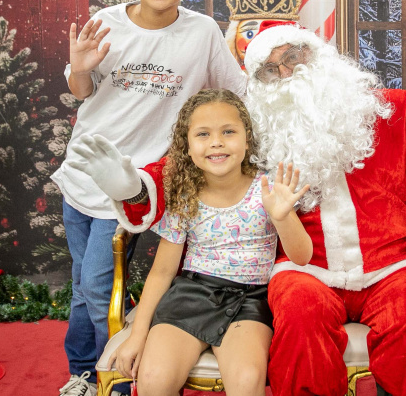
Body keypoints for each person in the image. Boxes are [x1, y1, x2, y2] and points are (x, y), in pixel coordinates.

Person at [75, 22, 406, 396]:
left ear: (323, 58)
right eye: (271, 71)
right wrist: (132, 184)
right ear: (256, 86)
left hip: (396, 263)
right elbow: (183, 169)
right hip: (305, 266)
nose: (288, 76)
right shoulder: (251, 130)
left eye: (297, 59)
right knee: (300, 313)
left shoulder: (396, 111)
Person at [50, 0, 247, 396]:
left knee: (98, 285)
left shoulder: (200, 33)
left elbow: (236, 93)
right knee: (83, 283)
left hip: (134, 184)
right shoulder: (109, 22)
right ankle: (81, 371)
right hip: (82, 171)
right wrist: (79, 70)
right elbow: (82, 91)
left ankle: (113, 379)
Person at [73, 89, 311, 395]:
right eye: (203, 134)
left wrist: (282, 216)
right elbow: (161, 273)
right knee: (154, 377)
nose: (216, 142)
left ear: (247, 138)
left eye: (228, 131)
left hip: (249, 300)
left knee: (247, 379)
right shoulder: (186, 195)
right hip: (191, 295)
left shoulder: (266, 189)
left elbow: (302, 256)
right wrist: (137, 334)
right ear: (187, 145)